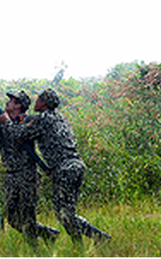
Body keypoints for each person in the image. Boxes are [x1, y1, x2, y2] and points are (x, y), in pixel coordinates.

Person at [0, 72, 59, 244]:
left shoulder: (30, 121)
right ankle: (48, 234)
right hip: (11, 175)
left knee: (27, 216)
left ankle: (35, 250)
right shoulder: (3, 121)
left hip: (27, 174)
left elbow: (24, 135)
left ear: (18, 106)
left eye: (12, 100)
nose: (7, 102)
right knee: (13, 220)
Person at [16, 87, 109, 242]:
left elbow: (21, 135)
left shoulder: (43, 118)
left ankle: (92, 241)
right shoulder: (60, 118)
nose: (36, 101)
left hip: (65, 169)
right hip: (76, 166)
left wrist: (9, 121)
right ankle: (89, 242)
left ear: (44, 103)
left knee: (64, 214)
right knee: (68, 212)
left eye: (39, 99)